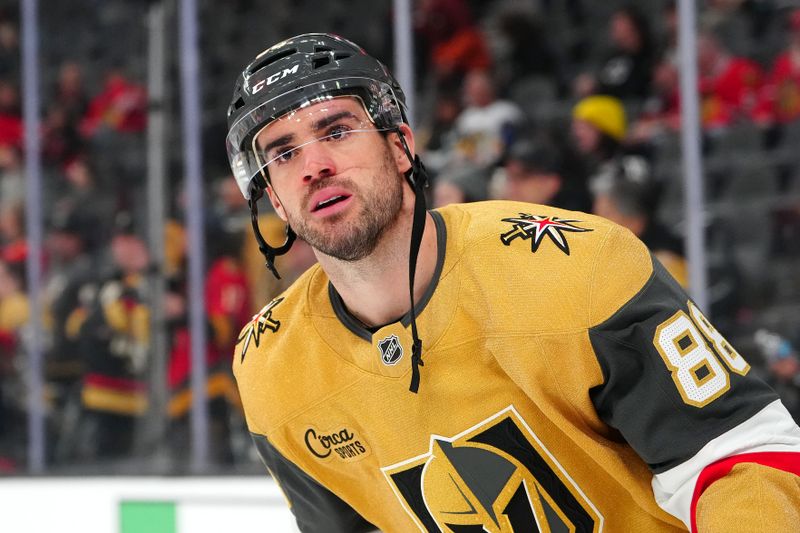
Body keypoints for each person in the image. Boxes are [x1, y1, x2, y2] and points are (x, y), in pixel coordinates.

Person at [226, 33, 800, 532]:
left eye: (337, 130)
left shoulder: (577, 266)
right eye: (283, 153)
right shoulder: (272, 371)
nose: (314, 164)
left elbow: (743, 458)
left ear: (400, 145)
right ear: (273, 196)